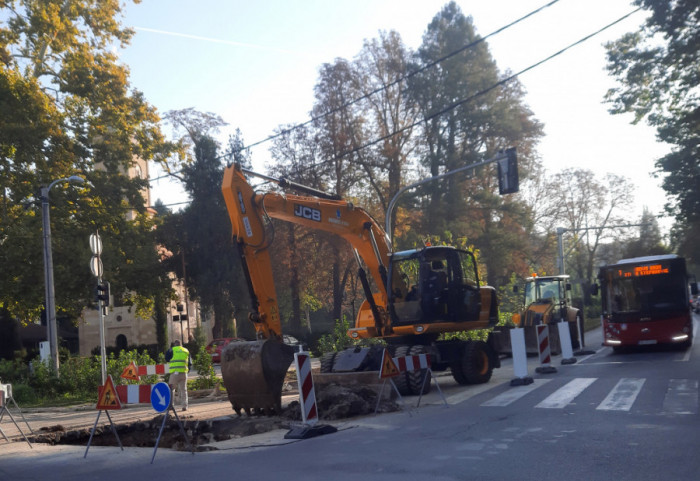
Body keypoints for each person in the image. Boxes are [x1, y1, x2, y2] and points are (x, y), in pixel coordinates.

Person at [166, 339, 191, 411]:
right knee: (184, 390)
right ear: (181, 344)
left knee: (171, 389)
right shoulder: (186, 350)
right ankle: (185, 406)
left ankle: (171, 405)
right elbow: (190, 363)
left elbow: (167, 359)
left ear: (175, 344)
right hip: (184, 373)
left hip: (175, 373)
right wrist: (187, 370)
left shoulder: (172, 350)